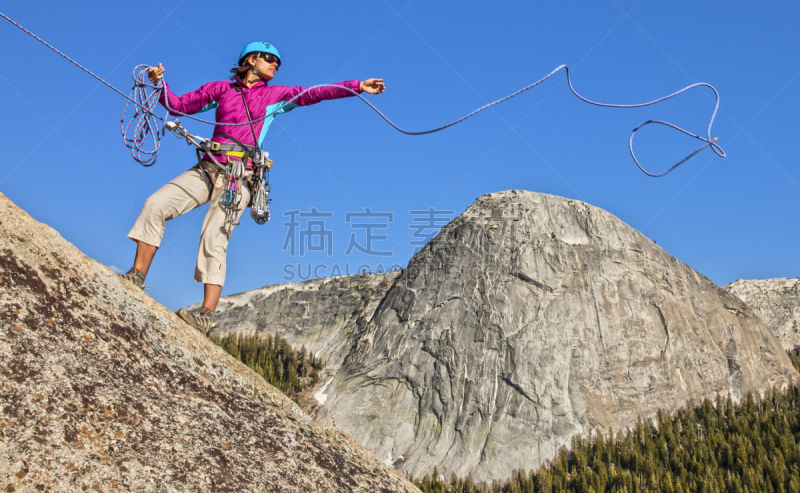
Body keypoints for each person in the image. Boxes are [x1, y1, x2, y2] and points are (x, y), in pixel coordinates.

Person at [119, 41, 385, 334]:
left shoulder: (275, 95)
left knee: (214, 236)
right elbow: (178, 106)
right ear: (251, 59)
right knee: (156, 204)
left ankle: (205, 315)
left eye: (277, 63)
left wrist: (357, 86)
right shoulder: (221, 90)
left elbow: (315, 93)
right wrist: (160, 86)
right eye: (270, 59)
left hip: (239, 176)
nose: (275, 65)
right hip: (208, 168)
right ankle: (135, 276)